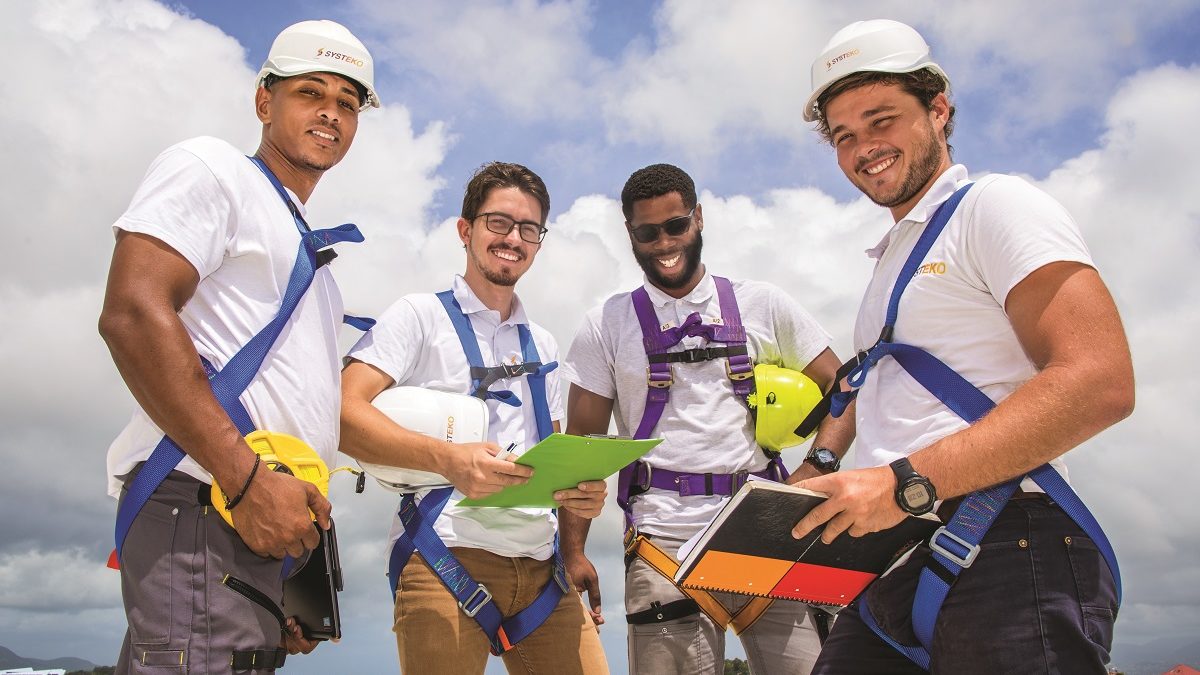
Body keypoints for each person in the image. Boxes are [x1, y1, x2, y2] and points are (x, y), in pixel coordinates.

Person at [793, 19, 1133, 674]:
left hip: (1008, 546)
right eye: (844, 136)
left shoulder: (996, 206)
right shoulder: (891, 260)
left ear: (938, 110)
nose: (865, 146)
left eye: (882, 119)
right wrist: (821, 462)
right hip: (892, 563)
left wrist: (906, 484)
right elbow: (873, 383)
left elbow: (1100, 380)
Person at [98, 19, 379, 673]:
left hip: (247, 524)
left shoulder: (314, 261)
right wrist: (248, 478)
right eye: (312, 91)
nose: (331, 113)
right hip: (207, 499)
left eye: (348, 102)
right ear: (264, 101)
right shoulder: (213, 169)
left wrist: (282, 569)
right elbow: (133, 311)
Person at [560, 163, 852, 674]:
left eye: (676, 225)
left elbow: (844, 388)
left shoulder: (763, 304)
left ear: (699, 217)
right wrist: (573, 550)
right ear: (629, 233)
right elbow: (580, 450)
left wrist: (818, 467)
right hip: (661, 540)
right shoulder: (605, 324)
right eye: (648, 233)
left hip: (763, 525)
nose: (664, 242)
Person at [339, 161, 610, 675]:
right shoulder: (418, 316)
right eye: (499, 222)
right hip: (445, 554)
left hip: (542, 568)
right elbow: (343, 413)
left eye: (529, 229)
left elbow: (551, 460)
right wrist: (449, 459)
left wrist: (580, 496)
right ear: (465, 230)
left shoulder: (545, 343)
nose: (514, 239)